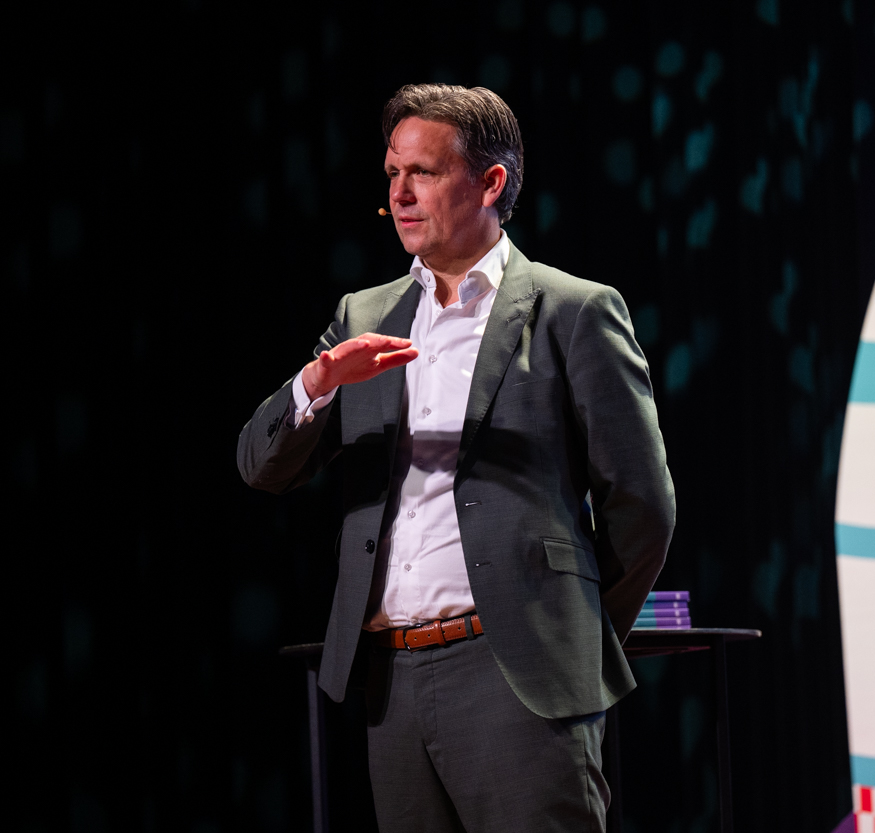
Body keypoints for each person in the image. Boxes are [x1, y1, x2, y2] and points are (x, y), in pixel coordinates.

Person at [237, 83, 674, 832]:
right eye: (392, 174)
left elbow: (643, 507)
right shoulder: (363, 317)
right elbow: (260, 465)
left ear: (490, 182)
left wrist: (563, 632)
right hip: (391, 680)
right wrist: (316, 383)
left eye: (423, 173)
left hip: (517, 676)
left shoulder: (572, 310)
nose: (399, 194)